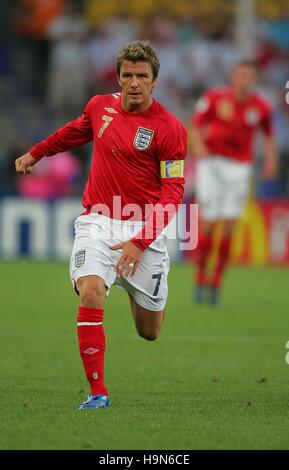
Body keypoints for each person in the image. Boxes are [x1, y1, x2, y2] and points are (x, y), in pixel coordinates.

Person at [15, 40, 187, 409]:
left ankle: (128, 283)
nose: (135, 82)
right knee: (91, 291)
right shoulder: (100, 107)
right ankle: (98, 392)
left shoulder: (171, 129)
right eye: (128, 75)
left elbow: (173, 194)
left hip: (144, 231)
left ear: (155, 80)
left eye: (142, 76)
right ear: (118, 77)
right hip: (98, 222)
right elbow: (73, 132)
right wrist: (37, 152)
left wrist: (141, 242)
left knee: (150, 331)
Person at [191, 60, 278, 305]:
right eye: (241, 76)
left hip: (240, 169)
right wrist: (198, 146)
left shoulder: (260, 106)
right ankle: (200, 279)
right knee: (208, 224)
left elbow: (268, 136)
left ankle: (216, 284)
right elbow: (197, 126)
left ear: (254, 80)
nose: (244, 81)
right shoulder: (215, 98)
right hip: (212, 163)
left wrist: (271, 161)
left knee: (229, 226)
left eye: (249, 77)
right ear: (233, 78)